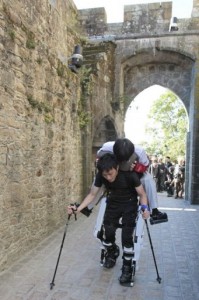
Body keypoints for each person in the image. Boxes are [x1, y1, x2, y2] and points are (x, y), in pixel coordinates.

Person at [68, 153, 150, 287]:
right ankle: (112, 251)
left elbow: (142, 194)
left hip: (129, 204)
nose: (108, 177)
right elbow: (92, 194)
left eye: (110, 173)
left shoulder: (130, 175)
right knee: (107, 234)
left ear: (117, 167)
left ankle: (127, 268)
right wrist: (78, 209)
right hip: (113, 203)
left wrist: (145, 208)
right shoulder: (101, 175)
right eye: (105, 175)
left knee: (127, 238)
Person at [97, 139, 167, 223]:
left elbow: (145, 166)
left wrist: (137, 167)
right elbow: (99, 160)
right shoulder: (106, 148)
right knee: (99, 176)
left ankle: (154, 210)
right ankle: (88, 207)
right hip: (114, 172)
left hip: (131, 173)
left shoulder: (140, 151)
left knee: (148, 178)